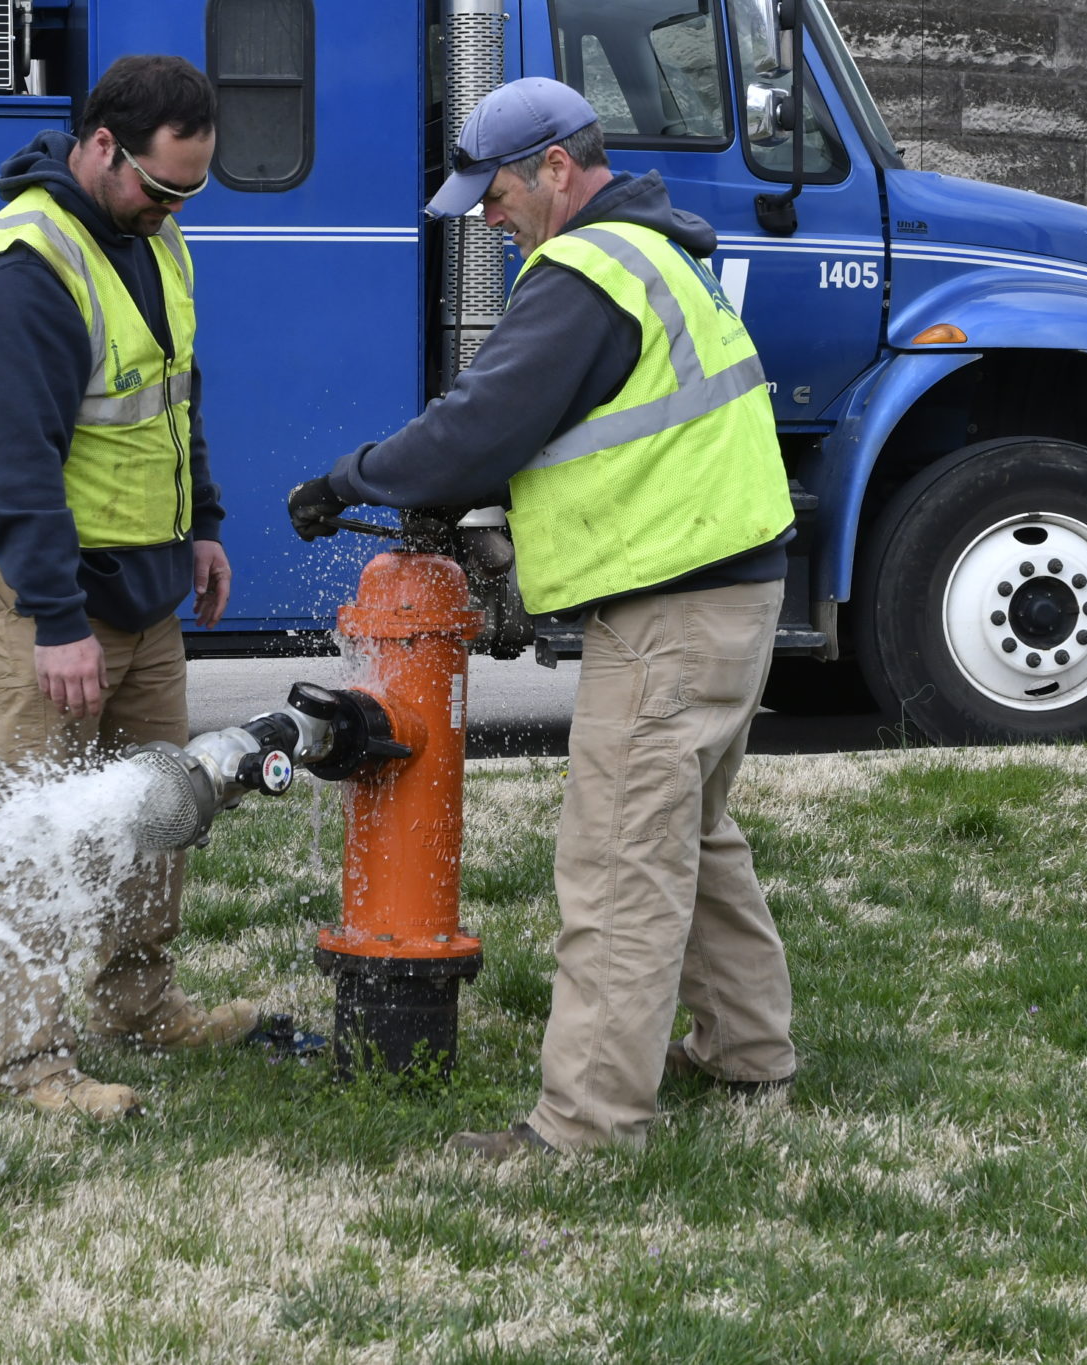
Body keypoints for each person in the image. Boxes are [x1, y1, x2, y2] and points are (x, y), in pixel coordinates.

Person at [288, 77, 798, 1156]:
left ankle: (585, 1128)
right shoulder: (659, 255)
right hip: (730, 588)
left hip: (668, 608)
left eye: (495, 192)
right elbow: (584, 439)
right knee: (692, 837)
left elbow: (478, 427)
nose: (485, 216)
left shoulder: (580, 272)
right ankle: (746, 1055)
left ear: (557, 170)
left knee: (620, 861)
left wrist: (348, 480)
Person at [0, 54, 256, 1122]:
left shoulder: (153, 242)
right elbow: (14, 462)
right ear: (101, 146)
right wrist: (56, 623)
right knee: (36, 828)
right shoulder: (23, 266)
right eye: (158, 189)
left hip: (141, 579)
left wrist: (199, 526)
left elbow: (178, 395)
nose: (169, 212)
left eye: (187, 196)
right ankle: (28, 1065)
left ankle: (136, 1002)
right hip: (32, 588)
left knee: (162, 805)